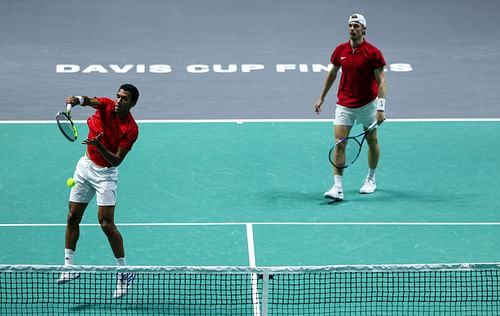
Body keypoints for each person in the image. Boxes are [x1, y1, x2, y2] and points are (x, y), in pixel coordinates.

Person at [57, 83, 140, 298]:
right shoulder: (105, 105)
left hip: (106, 175)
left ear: (132, 104)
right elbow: (89, 100)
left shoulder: (131, 129)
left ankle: (124, 272)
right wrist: (77, 98)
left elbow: (117, 160)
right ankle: (69, 267)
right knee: (72, 216)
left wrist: (99, 145)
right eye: (118, 96)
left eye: (124, 99)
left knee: (106, 224)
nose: (118, 101)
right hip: (85, 168)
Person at [314, 14, 387, 201]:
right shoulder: (341, 50)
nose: (352, 28)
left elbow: (382, 82)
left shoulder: (373, 53)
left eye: (356, 25)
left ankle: (371, 179)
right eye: (350, 25)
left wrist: (380, 108)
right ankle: (337, 188)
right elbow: (332, 74)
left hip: (367, 105)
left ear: (364, 29)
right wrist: (322, 97)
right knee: (340, 143)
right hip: (344, 104)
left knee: (372, 141)